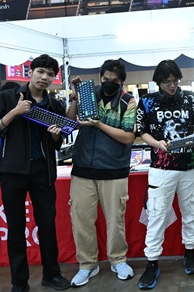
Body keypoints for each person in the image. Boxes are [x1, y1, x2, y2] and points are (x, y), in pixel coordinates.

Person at [0, 54, 71, 292]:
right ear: (30, 72)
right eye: (40, 71)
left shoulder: (55, 105)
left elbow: (57, 144)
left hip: (43, 170)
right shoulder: (9, 97)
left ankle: (52, 274)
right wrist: (15, 112)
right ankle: (19, 282)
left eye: (50, 74)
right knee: (16, 227)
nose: (44, 77)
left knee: (47, 225)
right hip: (13, 170)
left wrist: (56, 136)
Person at [136, 60, 194, 290]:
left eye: (175, 81)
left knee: (191, 211)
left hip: (191, 166)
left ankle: (190, 253)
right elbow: (142, 132)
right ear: (158, 82)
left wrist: (193, 138)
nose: (172, 85)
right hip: (161, 168)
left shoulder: (192, 98)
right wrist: (157, 143)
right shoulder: (147, 101)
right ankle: (152, 262)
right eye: (167, 82)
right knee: (156, 215)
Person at [66, 60, 137, 287]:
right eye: (105, 79)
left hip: (114, 169)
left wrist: (98, 125)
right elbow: (69, 123)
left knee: (115, 219)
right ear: (100, 77)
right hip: (83, 168)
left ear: (122, 81)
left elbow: (128, 137)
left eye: (114, 81)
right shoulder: (88, 94)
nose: (109, 83)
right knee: (82, 219)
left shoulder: (128, 101)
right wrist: (75, 96)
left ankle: (118, 260)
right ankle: (87, 264)